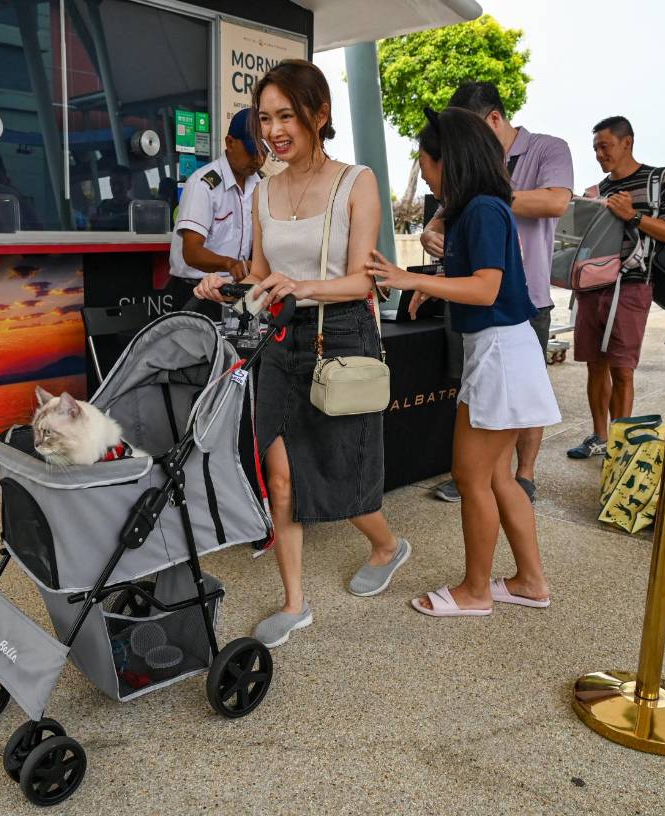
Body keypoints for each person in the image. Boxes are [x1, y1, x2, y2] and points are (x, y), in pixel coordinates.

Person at [193, 59, 409, 647]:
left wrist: (302, 286)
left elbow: (365, 281)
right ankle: (294, 603)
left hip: (340, 333)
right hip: (281, 337)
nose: (273, 130)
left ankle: (387, 544)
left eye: (286, 115)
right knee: (281, 472)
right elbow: (263, 274)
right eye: (265, 118)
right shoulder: (264, 188)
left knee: (338, 468)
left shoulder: (355, 181)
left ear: (320, 114)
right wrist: (227, 286)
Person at [367, 107, 560, 616]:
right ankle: (529, 581)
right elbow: (479, 283)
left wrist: (414, 281)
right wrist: (430, 292)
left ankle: (476, 591)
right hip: (501, 350)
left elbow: (486, 286)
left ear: (446, 160)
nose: (425, 172)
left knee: (471, 476)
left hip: (498, 352)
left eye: (426, 162)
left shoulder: (479, 209)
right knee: (497, 477)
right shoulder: (485, 207)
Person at [422, 81, 573, 503]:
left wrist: (476, 184)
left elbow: (556, 202)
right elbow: (439, 221)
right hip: (482, 319)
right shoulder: (472, 199)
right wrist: (434, 232)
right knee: (485, 457)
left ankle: (522, 473)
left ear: (493, 119)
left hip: (517, 309)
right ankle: (491, 477)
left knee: (519, 410)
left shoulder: (542, 152)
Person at [566, 116, 665, 459]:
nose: (599, 154)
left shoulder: (661, 178)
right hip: (592, 287)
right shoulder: (598, 191)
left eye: (604, 146)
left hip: (633, 285)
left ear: (627, 142)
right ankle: (599, 436)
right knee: (594, 364)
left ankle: (620, 447)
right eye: (595, 148)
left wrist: (632, 216)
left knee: (622, 368)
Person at [166, 108, 264, 319]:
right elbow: (191, 252)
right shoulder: (203, 185)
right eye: (251, 150)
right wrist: (229, 264)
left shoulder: (261, 186)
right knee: (199, 352)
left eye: (262, 151)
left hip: (238, 290)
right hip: (197, 293)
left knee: (246, 348)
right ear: (230, 143)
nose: (258, 159)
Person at [91, 165, 133, 230]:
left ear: (129, 185)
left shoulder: (135, 209)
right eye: (113, 184)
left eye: (120, 184)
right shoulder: (102, 208)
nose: (116, 189)